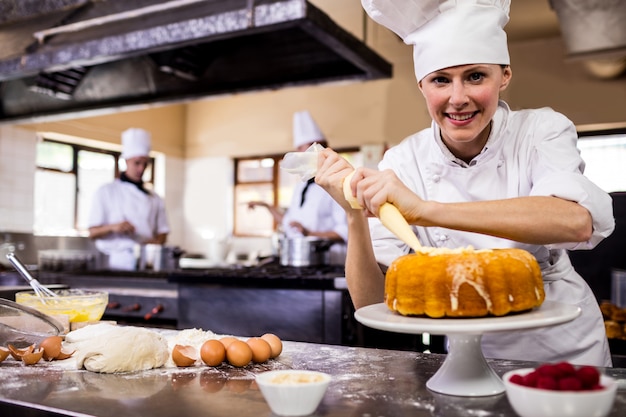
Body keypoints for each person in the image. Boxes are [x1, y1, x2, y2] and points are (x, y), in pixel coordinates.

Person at [314, 0, 615, 366]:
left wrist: (426, 211)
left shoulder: (540, 130)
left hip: (562, 345)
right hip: (467, 350)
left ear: (504, 75)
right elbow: (372, 303)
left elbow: (575, 221)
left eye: (475, 76)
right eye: (441, 79)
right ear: (422, 85)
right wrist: (354, 215)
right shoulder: (403, 161)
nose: (458, 99)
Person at [248, 111, 348, 264]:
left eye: (305, 149)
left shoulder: (335, 183)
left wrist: (309, 233)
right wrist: (266, 206)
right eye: (300, 150)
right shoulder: (300, 186)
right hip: (301, 261)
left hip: (329, 262)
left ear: (320, 149)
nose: (302, 155)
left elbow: (345, 231)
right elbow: (289, 222)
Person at [88, 128, 170, 270]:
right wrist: (113, 227)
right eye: (137, 163)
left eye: (145, 164)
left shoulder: (154, 197)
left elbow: (163, 231)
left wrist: (155, 243)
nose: (141, 168)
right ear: (126, 161)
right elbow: (92, 232)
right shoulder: (106, 191)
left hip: (147, 262)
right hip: (114, 264)